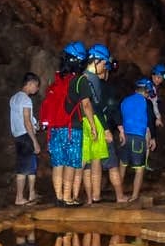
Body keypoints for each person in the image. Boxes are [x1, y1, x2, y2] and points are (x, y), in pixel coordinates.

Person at [65, 44, 113, 204]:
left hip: (86, 120)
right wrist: (105, 129)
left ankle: (90, 197)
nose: (104, 68)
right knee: (90, 161)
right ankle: (78, 196)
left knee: (89, 161)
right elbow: (94, 106)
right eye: (104, 64)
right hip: (90, 121)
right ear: (96, 61)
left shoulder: (86, 77)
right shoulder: (88, 79)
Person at [40, 42, 86, 206]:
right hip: (71, 128)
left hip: (54, 130)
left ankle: (59, 197)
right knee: (71, 163)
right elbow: (85, 105)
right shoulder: (76, 81)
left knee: (58, 164)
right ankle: (67, 197)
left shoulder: (56, 82)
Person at [120, 78, 157, 201]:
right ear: (147, 91)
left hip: (124, 136)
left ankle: (119, 195)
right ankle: (134, 196)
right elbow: (150, 122)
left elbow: (120, 117)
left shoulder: (125, 100)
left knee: (122, 165)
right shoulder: (147, 103)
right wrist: (153, 138)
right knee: (139, 169)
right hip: (138, 137)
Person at [96, 64, 128, 203]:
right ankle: (120, 196)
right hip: (105, 129)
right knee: (113, 165)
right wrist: (120, 128)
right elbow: (114, 109)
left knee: (93, 165)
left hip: (90, 129)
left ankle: (94, 197)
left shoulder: (88, 86)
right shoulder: (107, 89)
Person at [10, 72, 42, 205]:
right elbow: (26, 121)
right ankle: (21, 197)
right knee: (29, 168)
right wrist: (35, 142)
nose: (37, 88)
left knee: (23, 166)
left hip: (18, 136)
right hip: (26, 136)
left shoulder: (14, 98)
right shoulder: (26, 99)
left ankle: (31, 194)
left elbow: (22, 119)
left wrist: (36, 124)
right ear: (29, 84)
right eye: (36, 85)